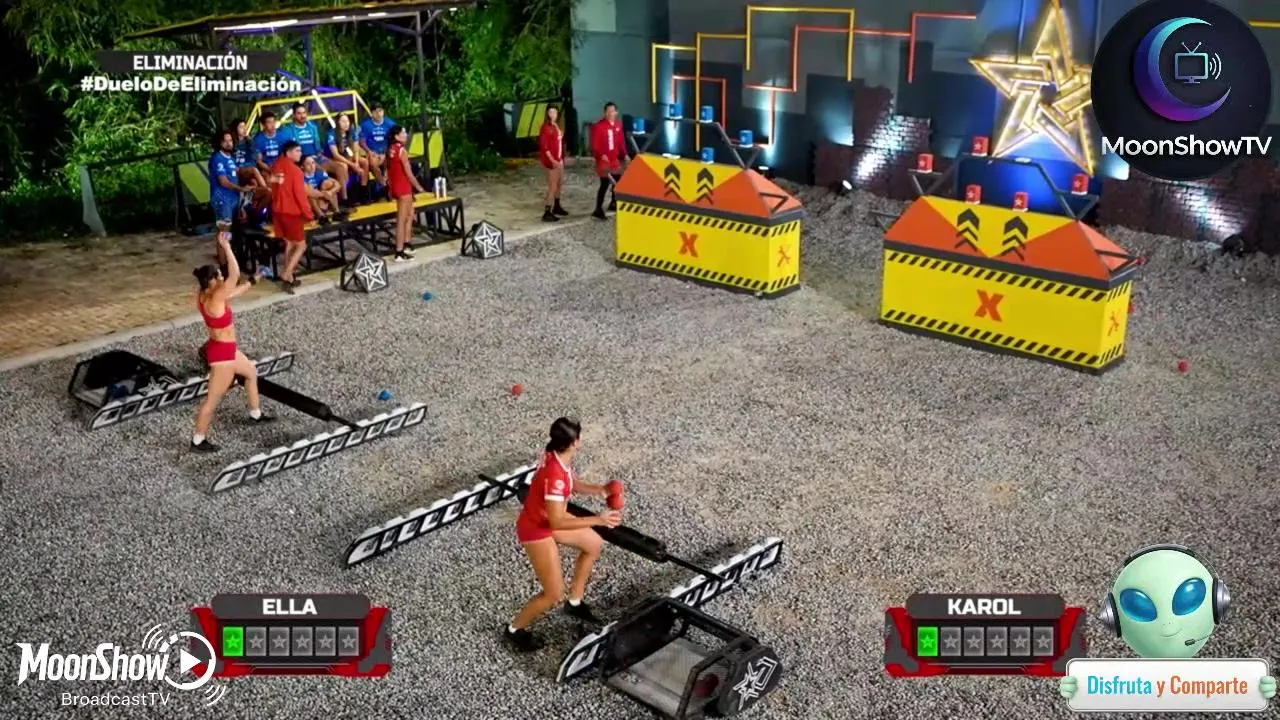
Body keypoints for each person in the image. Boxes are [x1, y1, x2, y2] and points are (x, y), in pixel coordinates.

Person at [505, 417, 621, 652]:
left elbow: (571, 483)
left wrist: (600, 490)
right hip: (537, 528)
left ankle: (574, 601)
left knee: (594, 544)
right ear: (575, 442)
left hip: (547, 517)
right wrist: (599, 519)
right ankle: (514, 629)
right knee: (553, 594)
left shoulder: (557, 456)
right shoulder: (554, 474)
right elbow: (557, 520)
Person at [191, 231, 275, 453]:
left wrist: (255, 278)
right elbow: (235, 275)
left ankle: (255, 414)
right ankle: (198, 440)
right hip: (222, 356)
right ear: (211, 282)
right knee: (212, 400)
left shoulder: (206, 295)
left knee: (250, 372)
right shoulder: (215, 297)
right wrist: (226, 247)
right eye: (218, 275)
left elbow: (234, 291)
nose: (221, 277)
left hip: (226, 349)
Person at [280, 102, 351, 206]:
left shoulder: (312, 126)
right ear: (294, 115)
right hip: (303, 160)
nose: (302, 115)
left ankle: (344, 200)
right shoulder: (288, 130)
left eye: (304, 113)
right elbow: (290, 150)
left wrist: (320, 154)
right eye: (299, 113)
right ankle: (326, 201)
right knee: (321, 170)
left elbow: (318, 146)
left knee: (340, 168)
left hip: (317, 156)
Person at [269, 141, 314, 292]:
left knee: (289, 242)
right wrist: (309, 215)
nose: (300, 153)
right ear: (288, 152)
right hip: (291, 212)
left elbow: (273, 187)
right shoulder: (296, 171)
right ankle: (286, 273)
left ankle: (289, 277)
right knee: (301, 245)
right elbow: (300, 196)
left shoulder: (276, 165)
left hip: (278, 211)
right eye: (297, 151)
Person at [386, 125, 427, 263]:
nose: (405, 135)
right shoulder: (401, 151)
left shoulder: (391, 149)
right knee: (402, 220)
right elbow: (409, 173)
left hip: (397, 186)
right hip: (404, 188)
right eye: (403, 133)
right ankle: (399, 251)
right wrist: (419, 187)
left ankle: (407, 243)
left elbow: (389, 171)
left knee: (409, 215)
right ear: (396, 136)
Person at [590, 102, 626, 220]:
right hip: (604, 160)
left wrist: (624, 154)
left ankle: (613, 202)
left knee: (618, 181)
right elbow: (594, 145)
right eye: (608, 111)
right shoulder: (598, 126)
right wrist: (600, 155)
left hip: (614, 159)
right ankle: (598, 209)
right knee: (605, 183)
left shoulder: (618, 125)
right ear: (605, 113)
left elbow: (621, 141)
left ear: (616, 112)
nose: (610, 113)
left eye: (612, 111)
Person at [328, 113, 369, 201]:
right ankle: (347, 195)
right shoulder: (332, 134)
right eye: (343, 121)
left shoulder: (352, 132)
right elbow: (336, 155)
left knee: (364, 162)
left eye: (347, 121)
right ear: (338, 123)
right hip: (336, 158)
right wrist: (352, 164)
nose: (346, 123)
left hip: (349, 156)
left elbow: (356, 150)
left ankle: (364, 191)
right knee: (344, 166)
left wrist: (356, 162)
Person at [538, 105, 569, 222]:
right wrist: (553, 160)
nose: (552, 115)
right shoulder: (546, 127)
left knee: (559, 184)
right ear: (547, 113)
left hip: (559, 159)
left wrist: (561, 158)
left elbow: (560, 142)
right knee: (553, 186)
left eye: (554, 112)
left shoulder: (556, 125)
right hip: (552, 161)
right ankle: (547, 211)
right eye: (550, 112)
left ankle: (557, 205)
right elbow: (545, 147)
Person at [209, 130, 245, 229]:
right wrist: (241, 189)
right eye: (225, 141)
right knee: (224, 230)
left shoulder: (231, 159)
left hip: (233, 198)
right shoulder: (217, 158)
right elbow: (223, 182)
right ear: (219, 143)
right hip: (222, 199)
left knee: (229, 231)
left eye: (230, 141)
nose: (229, 144)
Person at [231, 119, 270, 209]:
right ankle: (265, 188)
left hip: (247, 171)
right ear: (235, 129)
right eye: (241, 127)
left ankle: (250, 205)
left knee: (254, 182)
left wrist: (251, 143)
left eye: (245, 127)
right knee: (254, 170)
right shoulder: (232, 143)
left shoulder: (249, 142)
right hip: (237, 171)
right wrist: (239, 167)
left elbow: (253, 159)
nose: (244, 129)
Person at [359, 102, 395, 190]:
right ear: (371, 113)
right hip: (373, 152)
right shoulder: (366, 125)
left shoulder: (390, 123)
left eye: (380, 111)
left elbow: (397, 137)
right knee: (373, 164)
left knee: (391, 158)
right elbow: (362, 142)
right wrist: (369, 151)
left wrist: (386, 152)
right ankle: (383, 184)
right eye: (375, 112)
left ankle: (385, 183)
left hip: (386, 151)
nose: (378, 114)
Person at [302, 155, 342, 223]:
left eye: (313, 163)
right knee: (311, 192)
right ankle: (321, 216)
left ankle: (337, 212)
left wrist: (331, 192)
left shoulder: (320, 174)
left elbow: (337, 184)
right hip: (311, 207)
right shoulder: (301, 177)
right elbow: (309, 192)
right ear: (302, 167)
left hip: (323, 203)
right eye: (308, 164)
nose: (312, 166)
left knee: (328, 184)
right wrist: (324, 194)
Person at [253, 111, 283, 178]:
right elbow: (259, 161)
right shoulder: (258, 139)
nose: (273, 125)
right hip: (266, 168)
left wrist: (278, 168)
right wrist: (271, 169)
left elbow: (285, 156)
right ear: (263, 125)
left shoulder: (282, 136)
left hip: (280, 166)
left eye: (274, 122)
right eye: (269, 122)